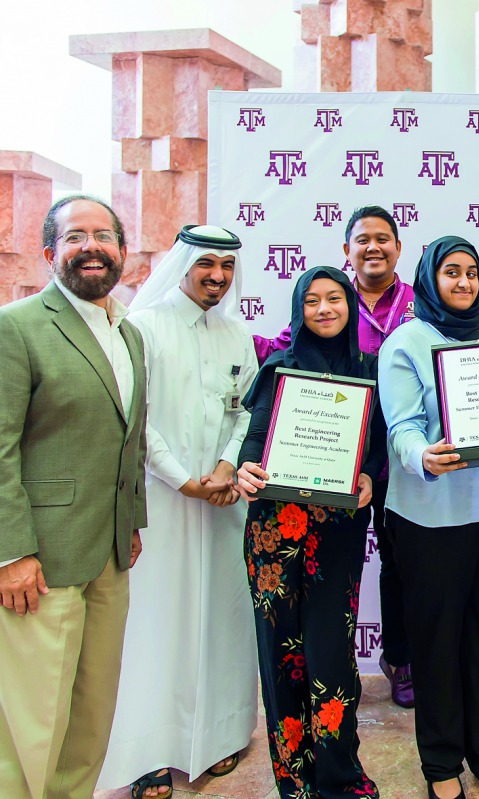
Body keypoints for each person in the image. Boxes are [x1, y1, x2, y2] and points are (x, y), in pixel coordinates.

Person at [98, 225, 259, 799]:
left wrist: (223, 467)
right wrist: (183, 479)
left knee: (221, 617)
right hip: (162, 503)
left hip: (222, 500)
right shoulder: (142, 327)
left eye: (226, 266)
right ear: (184, 263)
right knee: (157, 625)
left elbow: (246, 412)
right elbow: (135, 417)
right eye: (206, 263)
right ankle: (149, 754)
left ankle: (216, 737)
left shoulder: (237, 332)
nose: (217, 275)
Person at [379, 236, 479, 799]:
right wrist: (422, 456)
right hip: (429, 518)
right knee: (436, 644)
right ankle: (442, 765)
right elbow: (400, 427)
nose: (465, 282)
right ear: (430, 278)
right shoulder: (406, 342)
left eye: (472, 272)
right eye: (452, 272)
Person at [0, 195, 149, 799]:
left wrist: (132, 521)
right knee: (32, 725)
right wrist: (10, 552)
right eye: (74, 236)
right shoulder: (17, 327)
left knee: (90, 719)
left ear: (121, 253)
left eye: (104, 236)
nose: (92, 246)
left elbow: (128, 437)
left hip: (110, 556)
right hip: (43, 560)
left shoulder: (130, 334)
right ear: (48, 254)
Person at [254, 205, 418, 708]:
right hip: (334, 466)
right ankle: (330, 669)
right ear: (346, 251)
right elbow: (281, 355)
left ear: (398, 247)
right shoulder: (331, 302)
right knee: (335, 569)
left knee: (401, 564)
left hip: (404, 461)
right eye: (362, 239)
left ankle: (401, 658)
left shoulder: (418, 302)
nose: (374, 247)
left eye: (384, 238)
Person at [236, 265, 386, 799]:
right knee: (280, 657)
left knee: (331, 657)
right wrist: (245, 469)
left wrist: (369, 473)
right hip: (274, 534)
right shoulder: (279, 368)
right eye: (312, 302)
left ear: (350, 306)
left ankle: (340, 776)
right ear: (298, 310)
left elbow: (378, 449)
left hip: (337, 533)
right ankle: (293, 779)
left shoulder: (370, 369)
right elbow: (254, 441)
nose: (324, 309)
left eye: (335, 299)